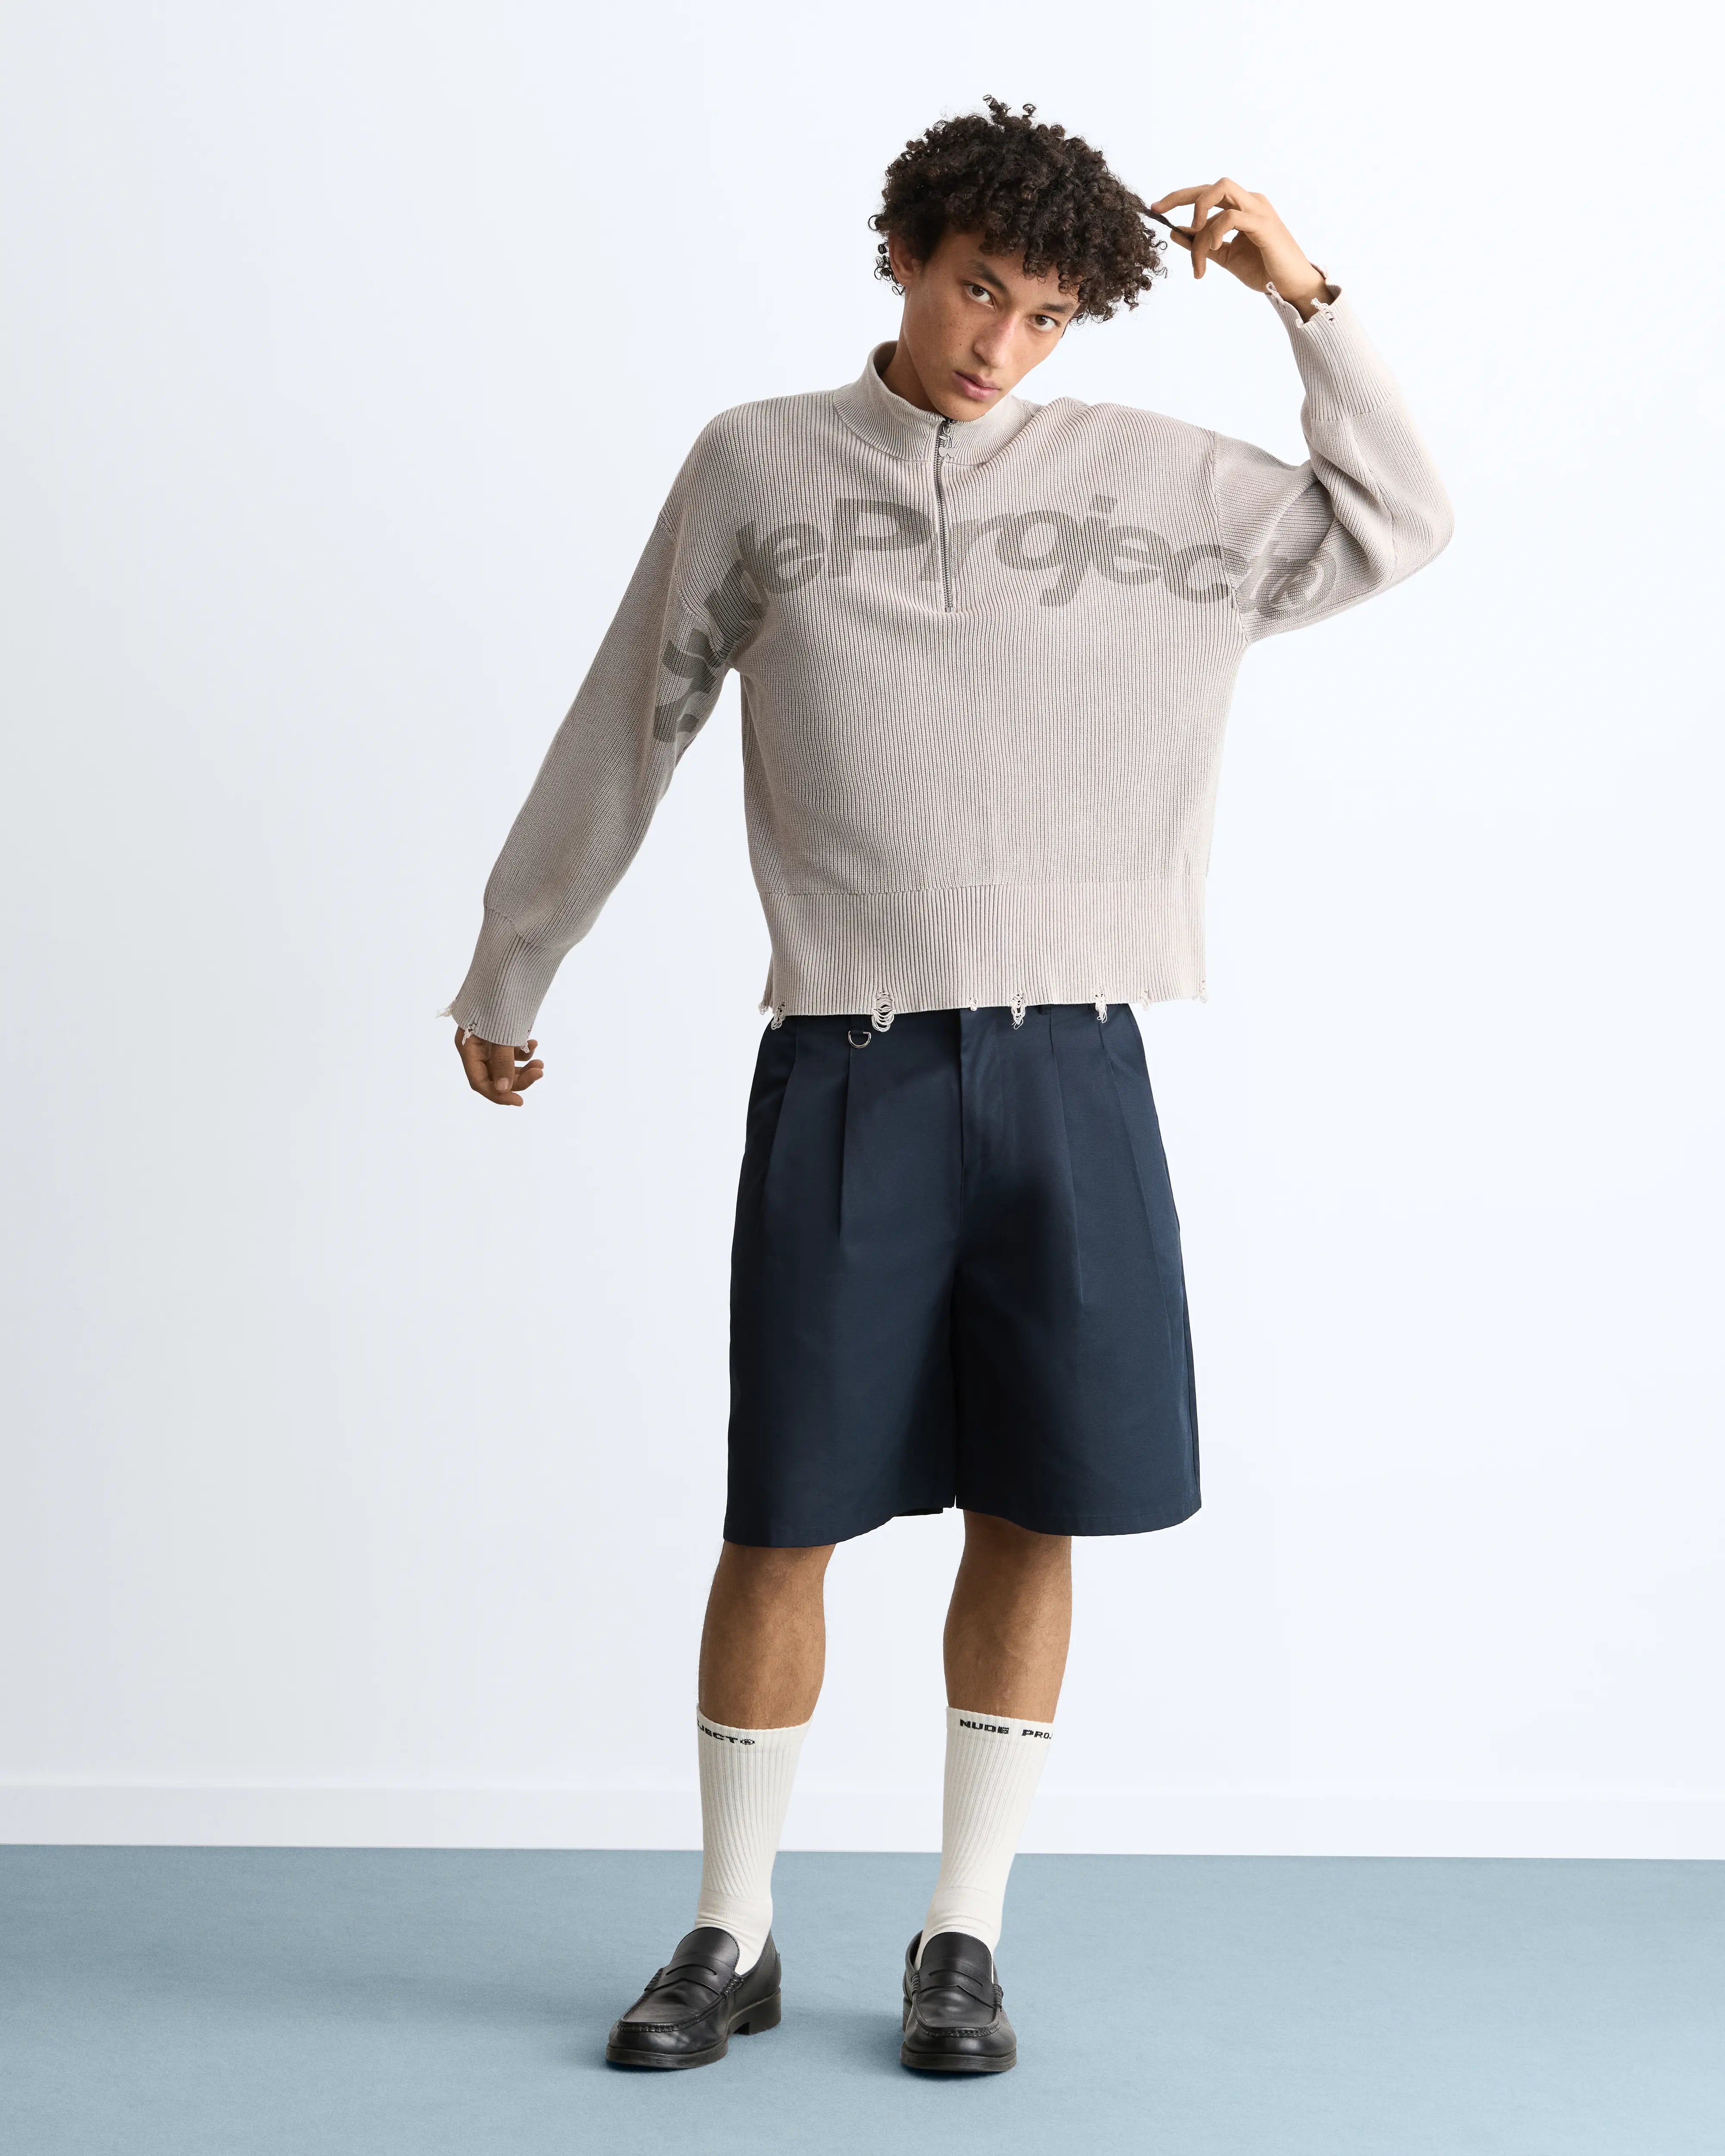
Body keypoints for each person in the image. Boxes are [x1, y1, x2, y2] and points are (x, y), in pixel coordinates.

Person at [442, 97, 1453, 2075]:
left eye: (1047, 314)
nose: (1001, 342)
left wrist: (1306, 298)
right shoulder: (757, 466)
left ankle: (959, 1933)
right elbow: (633, 713)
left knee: (1034, 1501)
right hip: (851, 1060)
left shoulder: (1157, 487)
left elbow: (1397, 518)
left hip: (1076, 1060)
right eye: (978, 287)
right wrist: (514, 955)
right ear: (904, 253)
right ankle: (730, 1927)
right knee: (784, 1511)